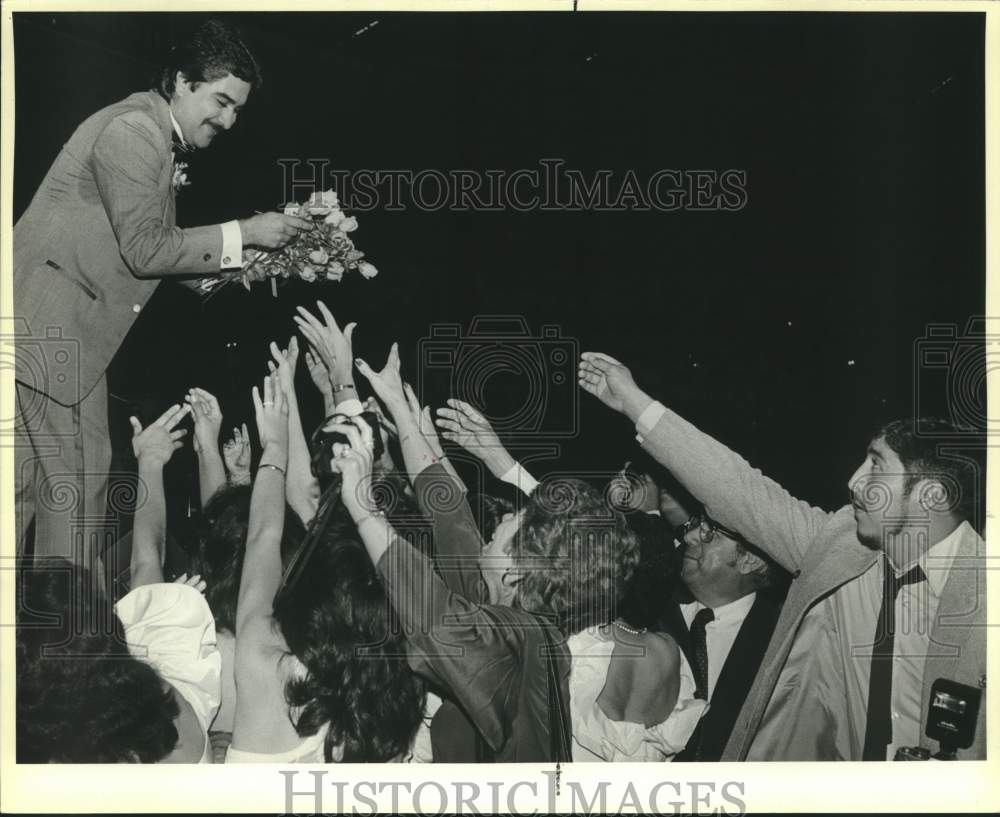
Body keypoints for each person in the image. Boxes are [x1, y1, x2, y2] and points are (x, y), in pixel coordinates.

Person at [578, 351, 986, 760]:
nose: (854, 481)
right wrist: (634, 402)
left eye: (877, 467)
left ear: (932, 495)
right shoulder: (840, 549)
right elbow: (738, 490)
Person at [13, 18, 312, 572]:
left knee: (29, 486)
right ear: (180, 81)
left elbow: (156, 251)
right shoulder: (135, 132)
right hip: (52, 328)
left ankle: (35, 632)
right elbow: (147, 250)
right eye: (221, 102)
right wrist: (246, 231)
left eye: (238, 110)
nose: (228, 120)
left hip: (52, 329)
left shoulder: (153, 134)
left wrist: (234, 268)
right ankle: (67, 634)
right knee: (74, 482)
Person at [333, 344, 707, 762]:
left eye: (507, 526)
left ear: (519, 570)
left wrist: (362, 507)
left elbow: (432, 618)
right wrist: (401, 411)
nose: (495, 525)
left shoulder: (520, 652)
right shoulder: (528, 611)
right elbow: (450, 514)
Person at [670, 513, 785, 762]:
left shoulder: (782, 645)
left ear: (750, 560)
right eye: (694, 525)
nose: (688, 536)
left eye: (710, 532)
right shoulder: (649, 611)